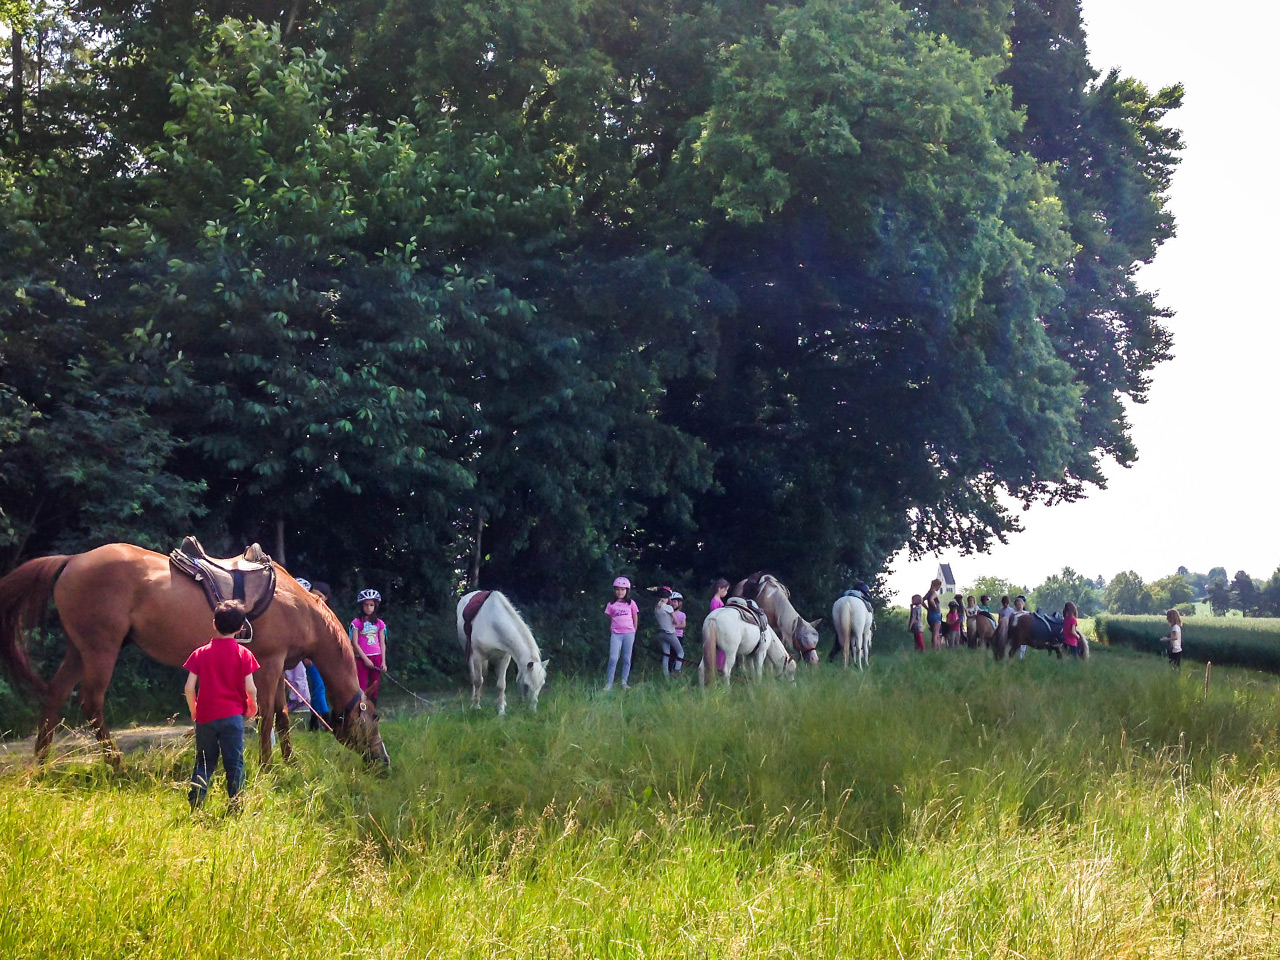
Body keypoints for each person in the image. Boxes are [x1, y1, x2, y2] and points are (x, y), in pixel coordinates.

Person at [183, 599, 260, 812]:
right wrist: (252, 705)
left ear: (214, 624)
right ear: (241, 628)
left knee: (204, 762)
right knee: (234, 762)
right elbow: (251, 688)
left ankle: (196, 806)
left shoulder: (200, 653)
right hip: (233, 717)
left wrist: (194, 710)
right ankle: (236, 806)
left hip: (206, 717)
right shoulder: (244, 654)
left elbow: (189, 687)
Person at [350, 588, 387, 704]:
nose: (368, 608)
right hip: (362, 658)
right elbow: (354, 643)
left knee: (374, 686)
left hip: (377, 657)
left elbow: (382, 642)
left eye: (371, 605)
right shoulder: (356, 623)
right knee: (361, 686)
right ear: (361, 606)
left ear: (375, 606)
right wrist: (365, 659)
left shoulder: (380, 623)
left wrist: (383, 662)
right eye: (366, 605)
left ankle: (372, 713)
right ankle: (360, 711)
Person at [304, 580, 332, 730]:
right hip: (311, 656)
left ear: (326, 598)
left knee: (318, 687)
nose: (316, 598)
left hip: (324, 656)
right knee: (319, 686)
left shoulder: (327, 614)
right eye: (313, 594)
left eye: (320, 596)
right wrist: (306, 655)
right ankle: (328, 720)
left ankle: (313, 722)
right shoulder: (307, 612)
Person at [605, 577, 639, 690]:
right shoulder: (611, 604)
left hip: (629, 633)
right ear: (615, 590)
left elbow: (635, 617)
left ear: (627, 591)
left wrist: (634, 630)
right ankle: (609, 683)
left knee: (626, 658)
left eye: (623, 590)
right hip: (616, 634)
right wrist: (615, 628)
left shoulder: (631, 603)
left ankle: (624, 681)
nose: (620, 592)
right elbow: (610, 618)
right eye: (618, 589)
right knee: (613, 658)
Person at [653, 587, 682, 677]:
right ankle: (676, 671)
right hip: (670, 633)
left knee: (666, 654)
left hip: (661, 633)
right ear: (668, 598)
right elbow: (676, 621)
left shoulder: (657, 608)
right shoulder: (668, 608)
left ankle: (666, 676)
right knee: (680, 652)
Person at [923, 579, 943, 649]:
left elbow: (922, 600)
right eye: (940, 586)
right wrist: (935, 607)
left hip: (930, 615)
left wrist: (927, 608)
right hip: (936, 614)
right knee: (936, 633)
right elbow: (931, 600)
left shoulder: (928, 592)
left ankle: (933, 648)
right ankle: (936, 649)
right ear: (937, 585)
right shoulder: (934, 593)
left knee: (933, 633)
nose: (939, 588)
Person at [671, 592, 687, 672]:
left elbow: (683, 625)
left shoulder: (682, 614)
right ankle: (671, 670)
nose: (673, 604)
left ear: (679, 603)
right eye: (672, 602)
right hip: (671, 636)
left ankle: (677, 670)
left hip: (678, 636)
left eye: (675, 602)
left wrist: (672, 626)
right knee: (671, 654)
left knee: (678, 653)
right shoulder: (669, 613)